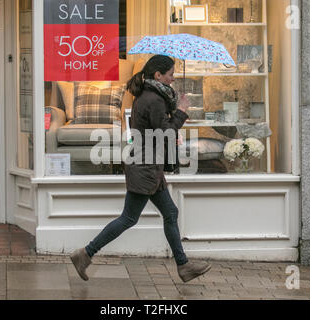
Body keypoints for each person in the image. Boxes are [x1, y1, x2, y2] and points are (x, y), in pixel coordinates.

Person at [70, 55, 211, 283]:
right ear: (158, 75)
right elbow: (165, 132)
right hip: (145, 167)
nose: (173, 79)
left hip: (148, 165)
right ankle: (85, 253)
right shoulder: (153, 99)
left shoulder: (151, 96)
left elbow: (158, 132)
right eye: (171, 74)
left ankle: (183, 266)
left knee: (170, 213)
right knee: (128, 218)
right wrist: (182, 112)